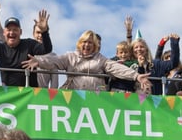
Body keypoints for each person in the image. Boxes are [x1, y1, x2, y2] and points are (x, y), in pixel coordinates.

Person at [23, 30, 151, 93]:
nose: (87, 45)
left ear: (94, 45)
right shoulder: (70, 56)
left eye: (90, 43)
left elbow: (117, 68)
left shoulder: (100, 59)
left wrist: (137, 76)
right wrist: (39, 61)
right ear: (80, 44)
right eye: (84, 42)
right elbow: (54, 61)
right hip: (74, 96)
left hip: (96, 98)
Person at [0, 10, 52, 87]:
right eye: (9, 30)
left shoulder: (29, 44)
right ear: (4, 32)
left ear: (20, 32)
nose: (12, 32)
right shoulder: (0, 48)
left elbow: (47, 49)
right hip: (9, 95)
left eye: (15, 30)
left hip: (29, 93)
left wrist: (44, 32)